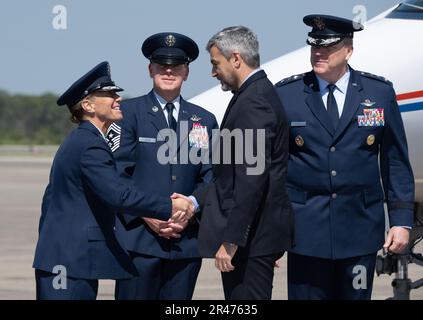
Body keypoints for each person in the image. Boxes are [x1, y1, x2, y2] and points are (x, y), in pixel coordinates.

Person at [275, 14, 415, 300]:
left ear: (348, 50)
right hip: (304, 234)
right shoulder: (288, 95)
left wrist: (401, 221)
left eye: (327, 47)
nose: (319, 53)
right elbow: (274, 166)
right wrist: (270, 229)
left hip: (360, 232)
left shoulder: (379, 93)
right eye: (314, 46)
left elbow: (395, 161)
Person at [32, 61, 192, 300]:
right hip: (69, 262)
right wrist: (171, 206)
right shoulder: (90, 145)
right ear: (87, 105)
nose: (118, 99)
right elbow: (118, 195)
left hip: (67, 258)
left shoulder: (83, 140)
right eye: (108, 95)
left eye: (116, 93)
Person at [174, 26, 294, 300]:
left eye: (216, 63)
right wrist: (194, 201)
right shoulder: (253, 94)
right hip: (256, 238)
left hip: (249, 242)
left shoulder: (254, 102)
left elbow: (252, 180)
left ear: (236, 59)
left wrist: (232, 241)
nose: (213, 72)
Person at [110, 33, 218, 300]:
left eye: (176, 66)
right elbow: (117, 174)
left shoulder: (203, 120)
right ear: (150, 70)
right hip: (138, 241)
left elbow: (212, 174)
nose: (169, 71)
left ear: (187, 72)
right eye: (161, 65)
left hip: (186, 243)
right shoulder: (127, 114)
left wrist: (191, 206)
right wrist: (149, 213)